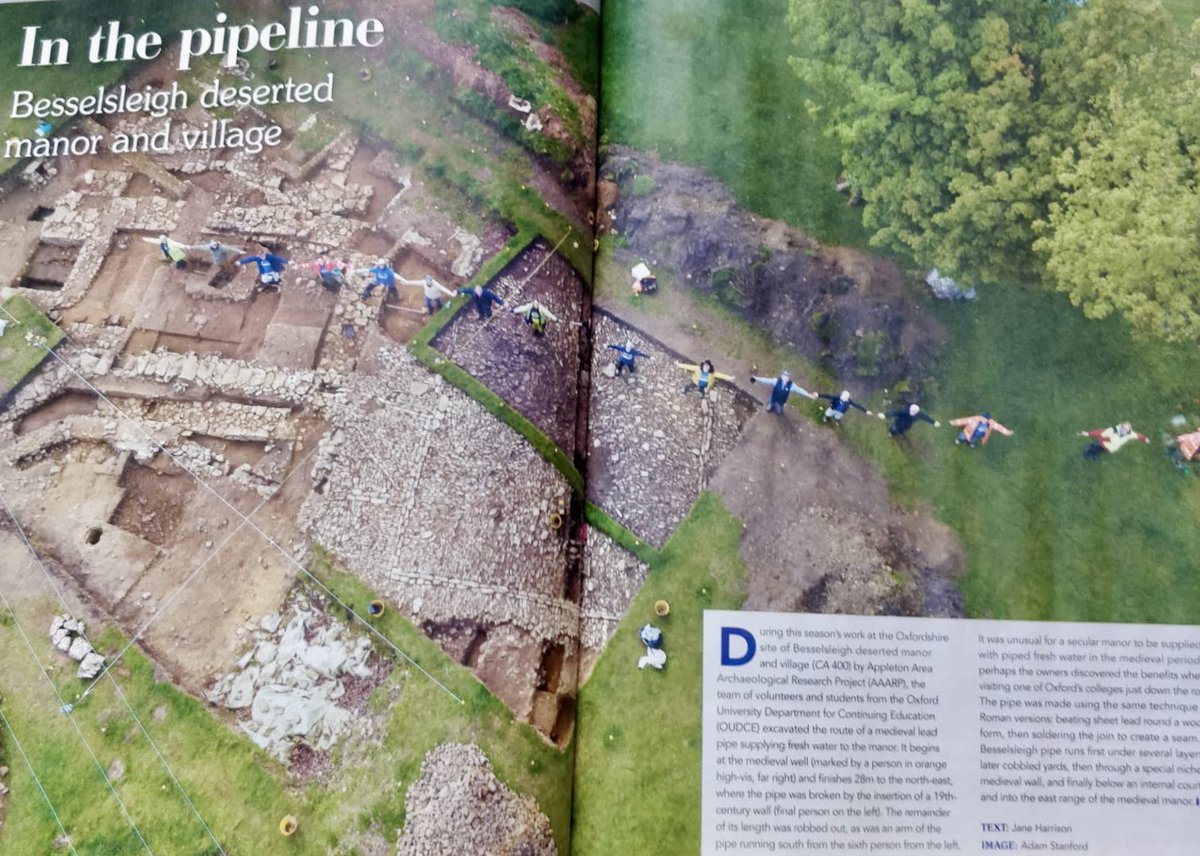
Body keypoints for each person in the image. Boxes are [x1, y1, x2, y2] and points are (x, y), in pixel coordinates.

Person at [750, 370, 818, 415]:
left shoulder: (791, 385)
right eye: (785, 376)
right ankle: (771, 406)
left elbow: (800, 390)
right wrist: (756, 378)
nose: (786, 378)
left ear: (789, 378)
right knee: (771, 402)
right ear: (782, 376)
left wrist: (808, 395)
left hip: (782, 400)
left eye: (788, 377)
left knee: (780, 408)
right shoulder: (776, 381)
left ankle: (779, 409)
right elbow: (766, 380)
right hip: (774, 397)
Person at [1079, 422, 1148, 461]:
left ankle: (1094, 454)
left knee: (1101, 451)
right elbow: (1099, 432)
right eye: (1123, 428)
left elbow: (1138, 436)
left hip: (1109, 448)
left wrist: (1145, 439)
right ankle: (1087, 452)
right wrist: (1088, 434)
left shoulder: (1129, 434)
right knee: (1095, 448)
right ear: (1121, 427)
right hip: (1101, 443)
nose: (1124, 431)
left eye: (1126, 430)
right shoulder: (1112, 430)